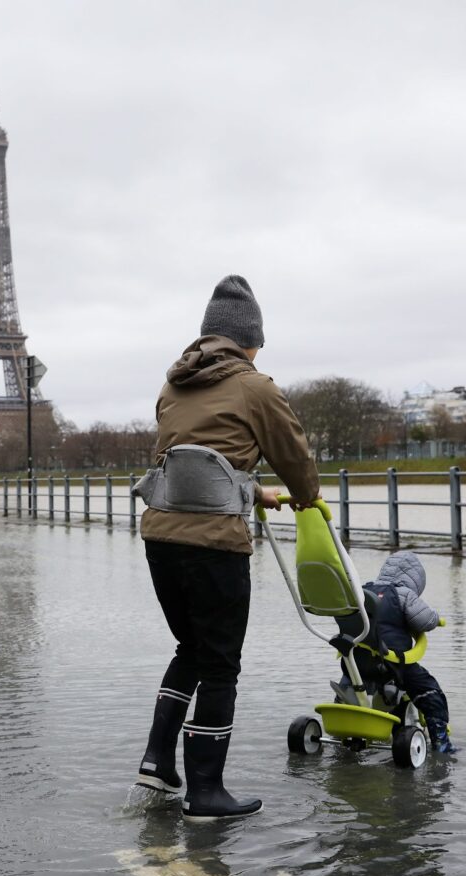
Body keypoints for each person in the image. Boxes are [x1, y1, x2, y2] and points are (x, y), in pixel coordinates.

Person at [133, 274, 320, 822]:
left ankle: (157, 762)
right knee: (219, 665)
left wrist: (252, 489)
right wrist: (306, 496)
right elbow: (294, 455)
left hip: (161, 538)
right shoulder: (256, 387)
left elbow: (192, 463)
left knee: (189, 650)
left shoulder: (172, 386)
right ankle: (206, 792)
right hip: (215, 545)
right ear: (250, 341)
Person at [340, 551, 459, 754]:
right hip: (391, 663)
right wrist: (436, 618)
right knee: (430, 691)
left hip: (356, 661)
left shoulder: (363, 590)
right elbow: (424, 620)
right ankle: (441, 742)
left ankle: (347, 728)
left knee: (351, 684)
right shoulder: (403, 593)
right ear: (415, 579)